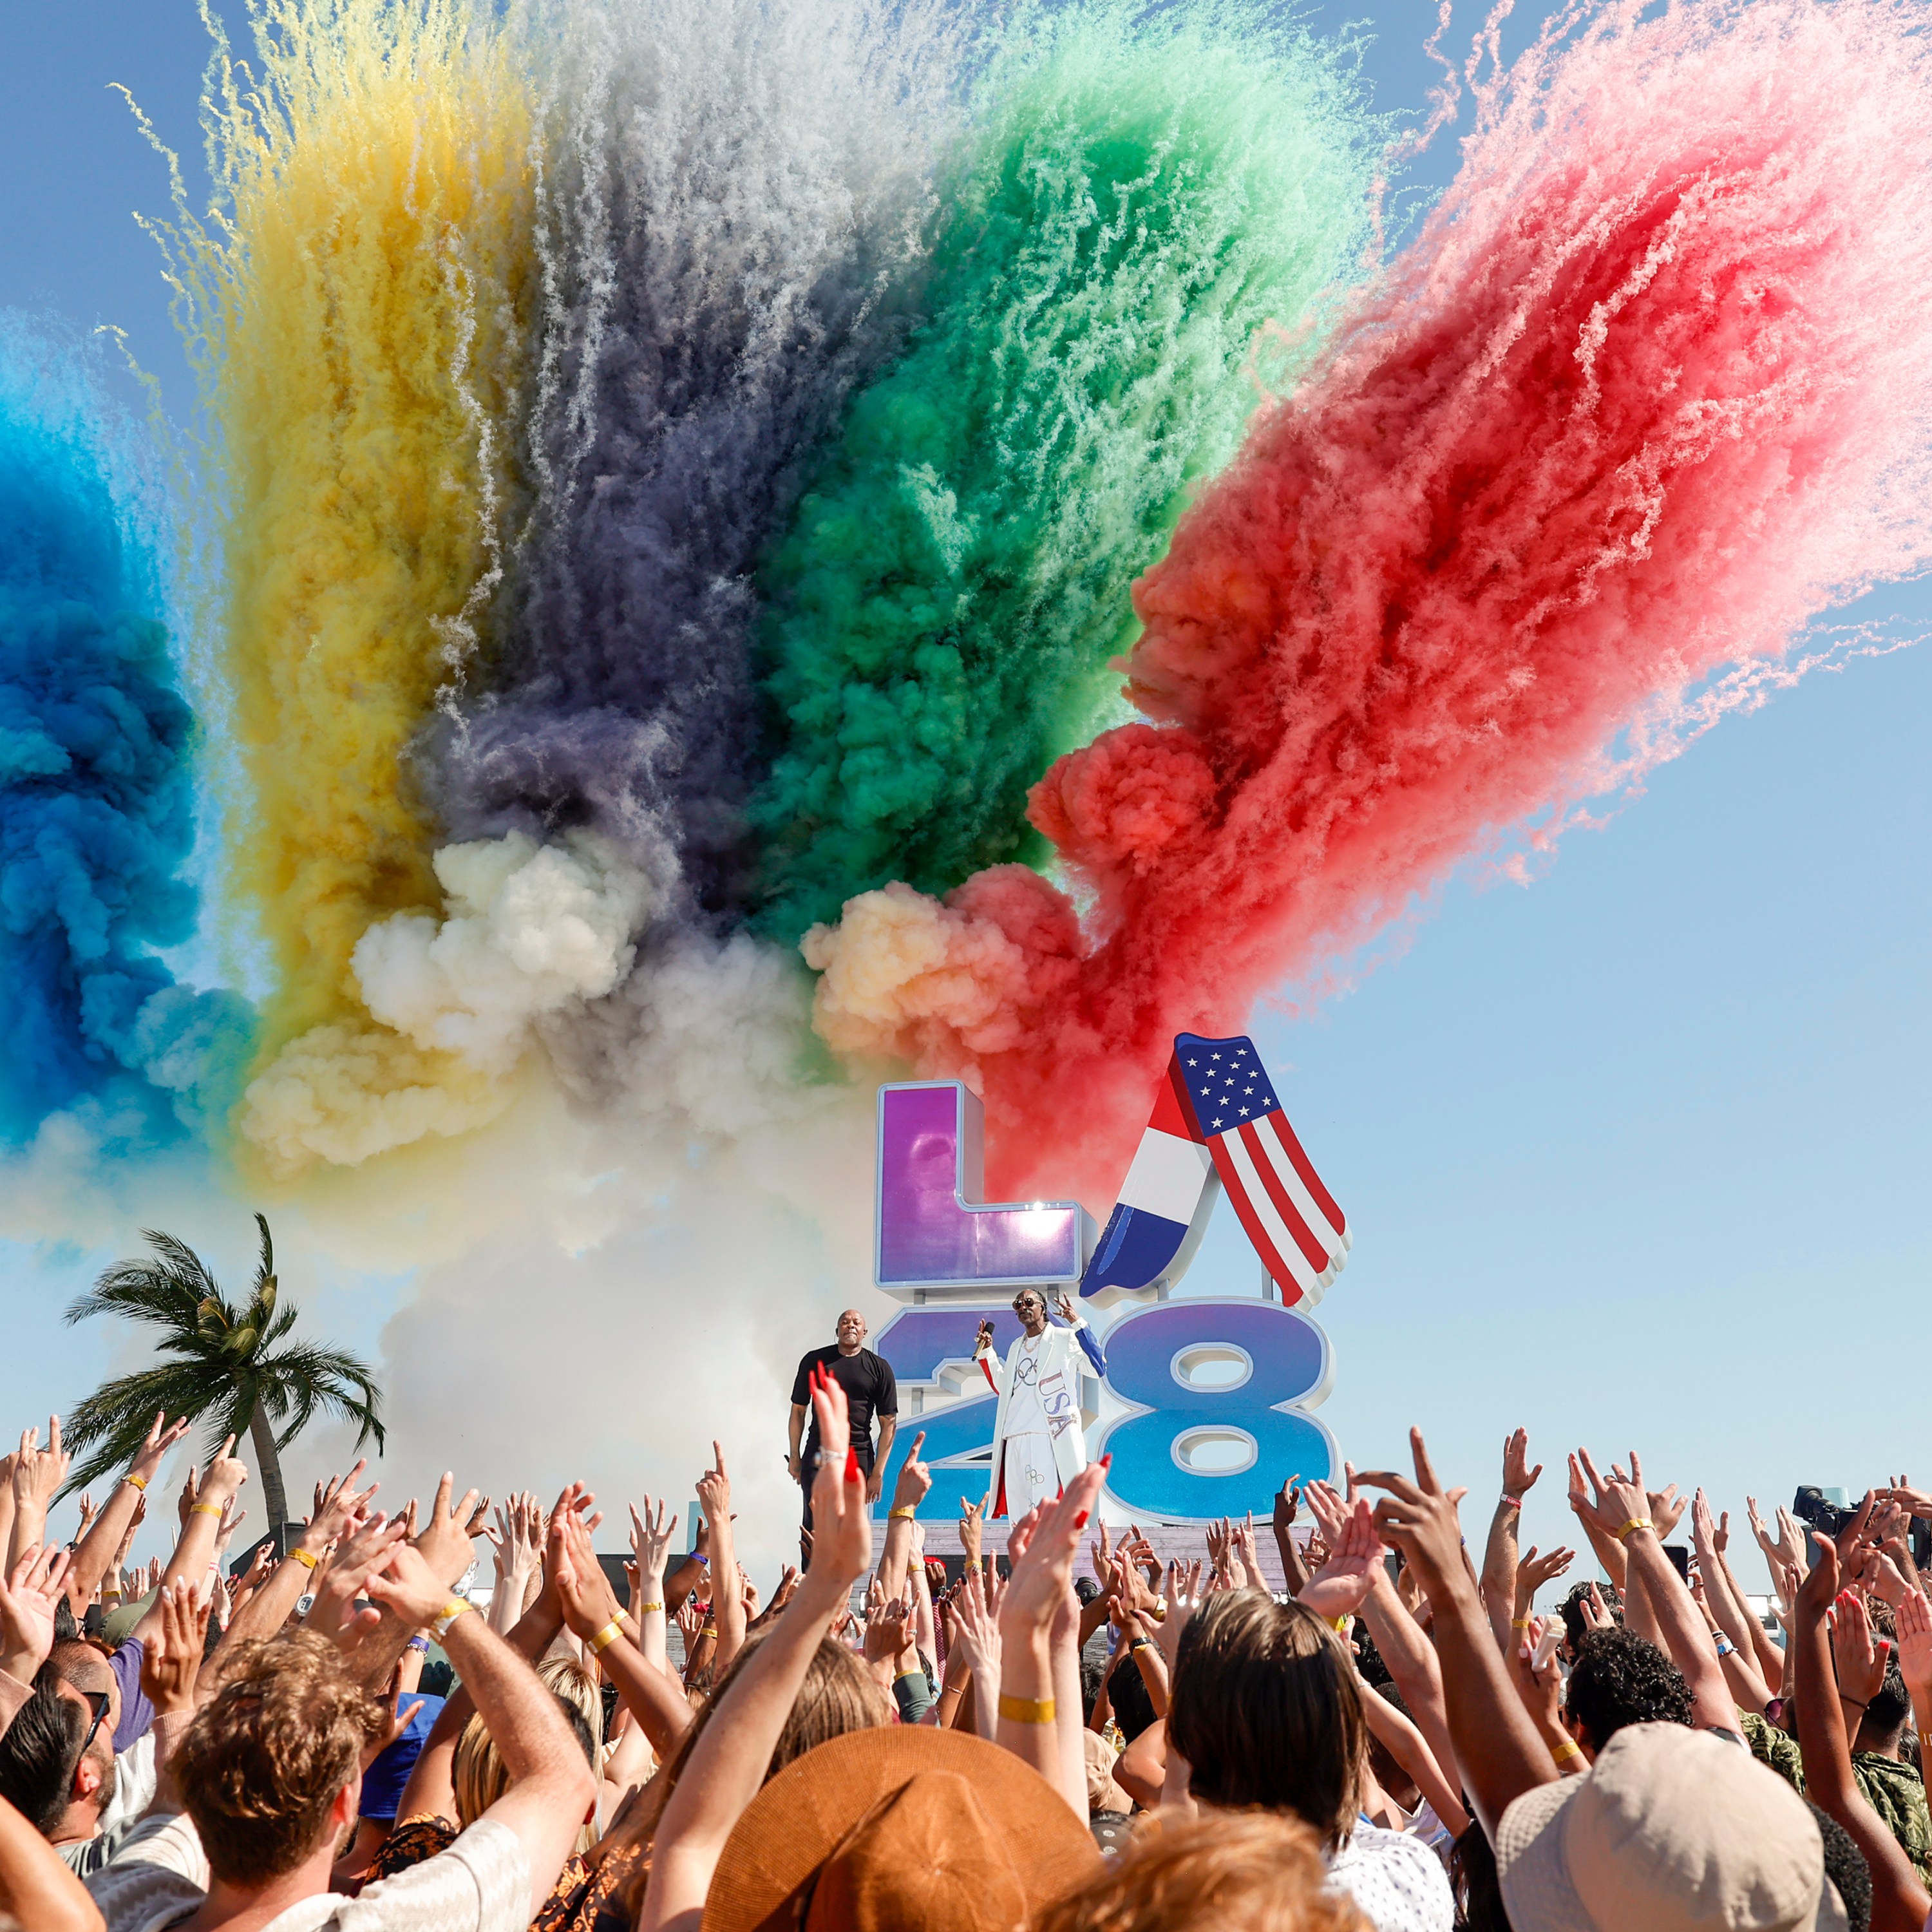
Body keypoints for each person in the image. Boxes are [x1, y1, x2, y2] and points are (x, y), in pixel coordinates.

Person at [973, 1290, 1106, 1518]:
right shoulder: (1016, 1346)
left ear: (1042, 1308)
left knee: (1044, 1512)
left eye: (1028, 1302)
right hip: (1014, 1435)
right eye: (1017, 1304)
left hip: (1046, 1435)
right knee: (1019, 1517)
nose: (1022, 1307)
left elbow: (1097, 1368)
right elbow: (1005, 1388)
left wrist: (1078, 1323)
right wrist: (988, 1351)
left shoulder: (1065, 1338)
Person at [786, 1311, 897, 1554]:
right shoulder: (814, 1361)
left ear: (865, 1333)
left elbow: (888, 1422)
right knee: (814, 1520)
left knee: (849, 1525)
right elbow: (798, 1412)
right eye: (845, 1322)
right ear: (837, 1331)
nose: (850, 1325)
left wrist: (877, 1474)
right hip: (819, 1451)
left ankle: (842, 1588)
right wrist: (795, 1458)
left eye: (857, 1322)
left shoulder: (879, 1368)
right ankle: (810, 1584)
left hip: (857, 1454)